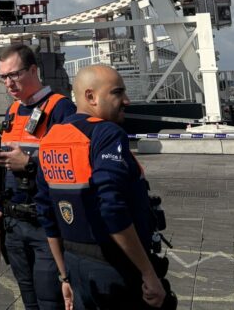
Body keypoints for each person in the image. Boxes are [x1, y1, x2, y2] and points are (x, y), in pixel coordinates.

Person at [36, 65, 173, 310]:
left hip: (76, 266)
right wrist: (148, 272)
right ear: (91, 97)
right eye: (117, 92)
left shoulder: (50, 140)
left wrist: (64, 276)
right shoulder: (106, 133)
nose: (126, 100)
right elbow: (112, 207)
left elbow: (46, 213)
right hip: (116, 268)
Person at [0, 43, 76, 310]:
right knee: (28, 298)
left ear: (34, 70)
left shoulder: (61, 108)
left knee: (51, 298)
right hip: (13, 225)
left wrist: (29, 164)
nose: (8, 83)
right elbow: (4, 165)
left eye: (14, 74)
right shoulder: (13, 111)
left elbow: (72, 166)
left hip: (45, 224)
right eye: (3, 76)